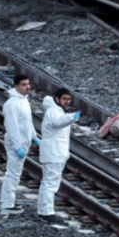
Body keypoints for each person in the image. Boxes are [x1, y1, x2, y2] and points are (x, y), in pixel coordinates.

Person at [37, 88, 81, 223]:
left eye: (68, 99)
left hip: (55, 153)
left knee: (50, 182)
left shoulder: (58, 111)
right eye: (64, 99)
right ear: (57, 99)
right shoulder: (54, 111)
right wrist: (72, 117)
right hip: (53, 153)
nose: (67, 102)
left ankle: (44, 211)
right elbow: (58, 123)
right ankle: (46, 213)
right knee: (50, 183)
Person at [0, 74, 39, 217]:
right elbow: (12, 126)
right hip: (17, 143)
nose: (27, 87)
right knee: (13, 173)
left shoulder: (23, 100)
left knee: (16, 173)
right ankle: (7, 205)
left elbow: (27, 121)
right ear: (16, 86)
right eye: (23, 84)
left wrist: (34, 136)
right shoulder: (11, 104)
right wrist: (17, 147)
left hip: (24, 141)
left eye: (28, 84)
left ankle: (9, 202)